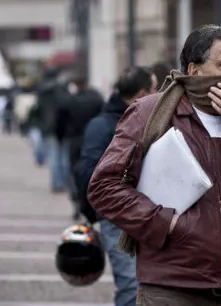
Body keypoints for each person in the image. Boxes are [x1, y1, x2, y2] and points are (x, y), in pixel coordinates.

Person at [88, 24, 221, 305]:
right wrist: (168, 224)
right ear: (194, 70)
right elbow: (104, 187)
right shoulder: (150, 113)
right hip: (171, 289)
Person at [74, 67, 156, 306]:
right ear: (142, 94)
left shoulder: (152, 120)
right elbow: (87, 174)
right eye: (154, 89)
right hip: (118, 218)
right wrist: (94, 213)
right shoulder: (103, 125)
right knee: (131, 284)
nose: (159, 94)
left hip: (152, 215)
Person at [57, 74, 104, 221]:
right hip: (92, 140)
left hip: (73, 140)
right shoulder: (96, 100)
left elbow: (59, 122)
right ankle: (89, 200)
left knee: (73, 172)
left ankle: (77, 200)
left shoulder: (68, 101)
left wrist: (60, 137)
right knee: (91, 171)